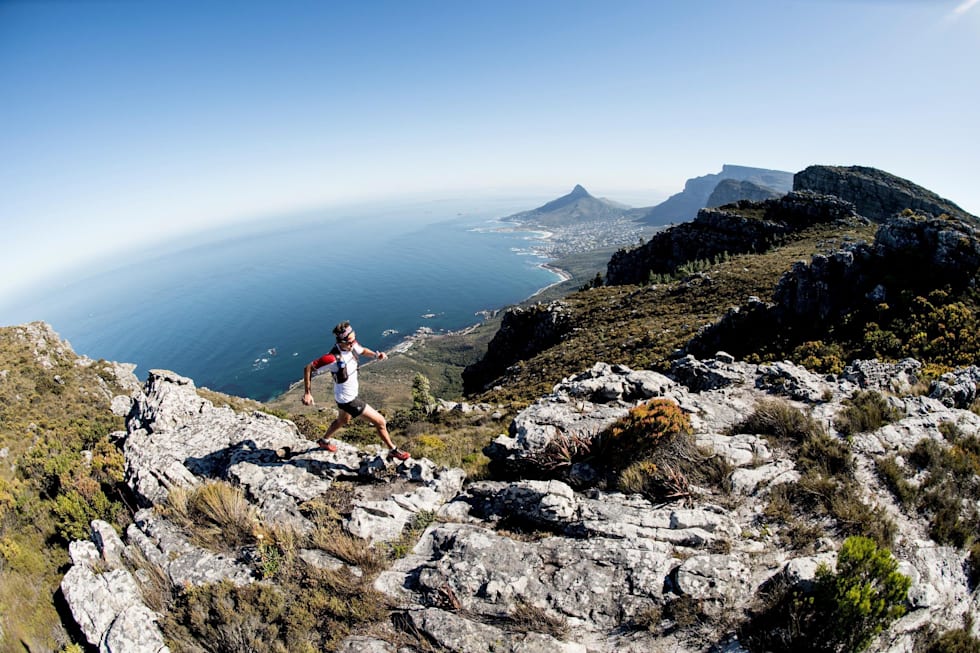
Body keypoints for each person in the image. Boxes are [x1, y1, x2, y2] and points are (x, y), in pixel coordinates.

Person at [302, 321, 411, 461]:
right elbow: (308, 367)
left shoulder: (352, 346)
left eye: (354, 340)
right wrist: (307, 393)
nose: (353, 343)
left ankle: (323, 441)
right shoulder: (332, 358)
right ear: (341, 341)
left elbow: (363, 350)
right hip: (348, 400)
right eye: (350, 341)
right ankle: (393, 450)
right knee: (380, 422)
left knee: (342, 420)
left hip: (342, 397)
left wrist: (375, 355)